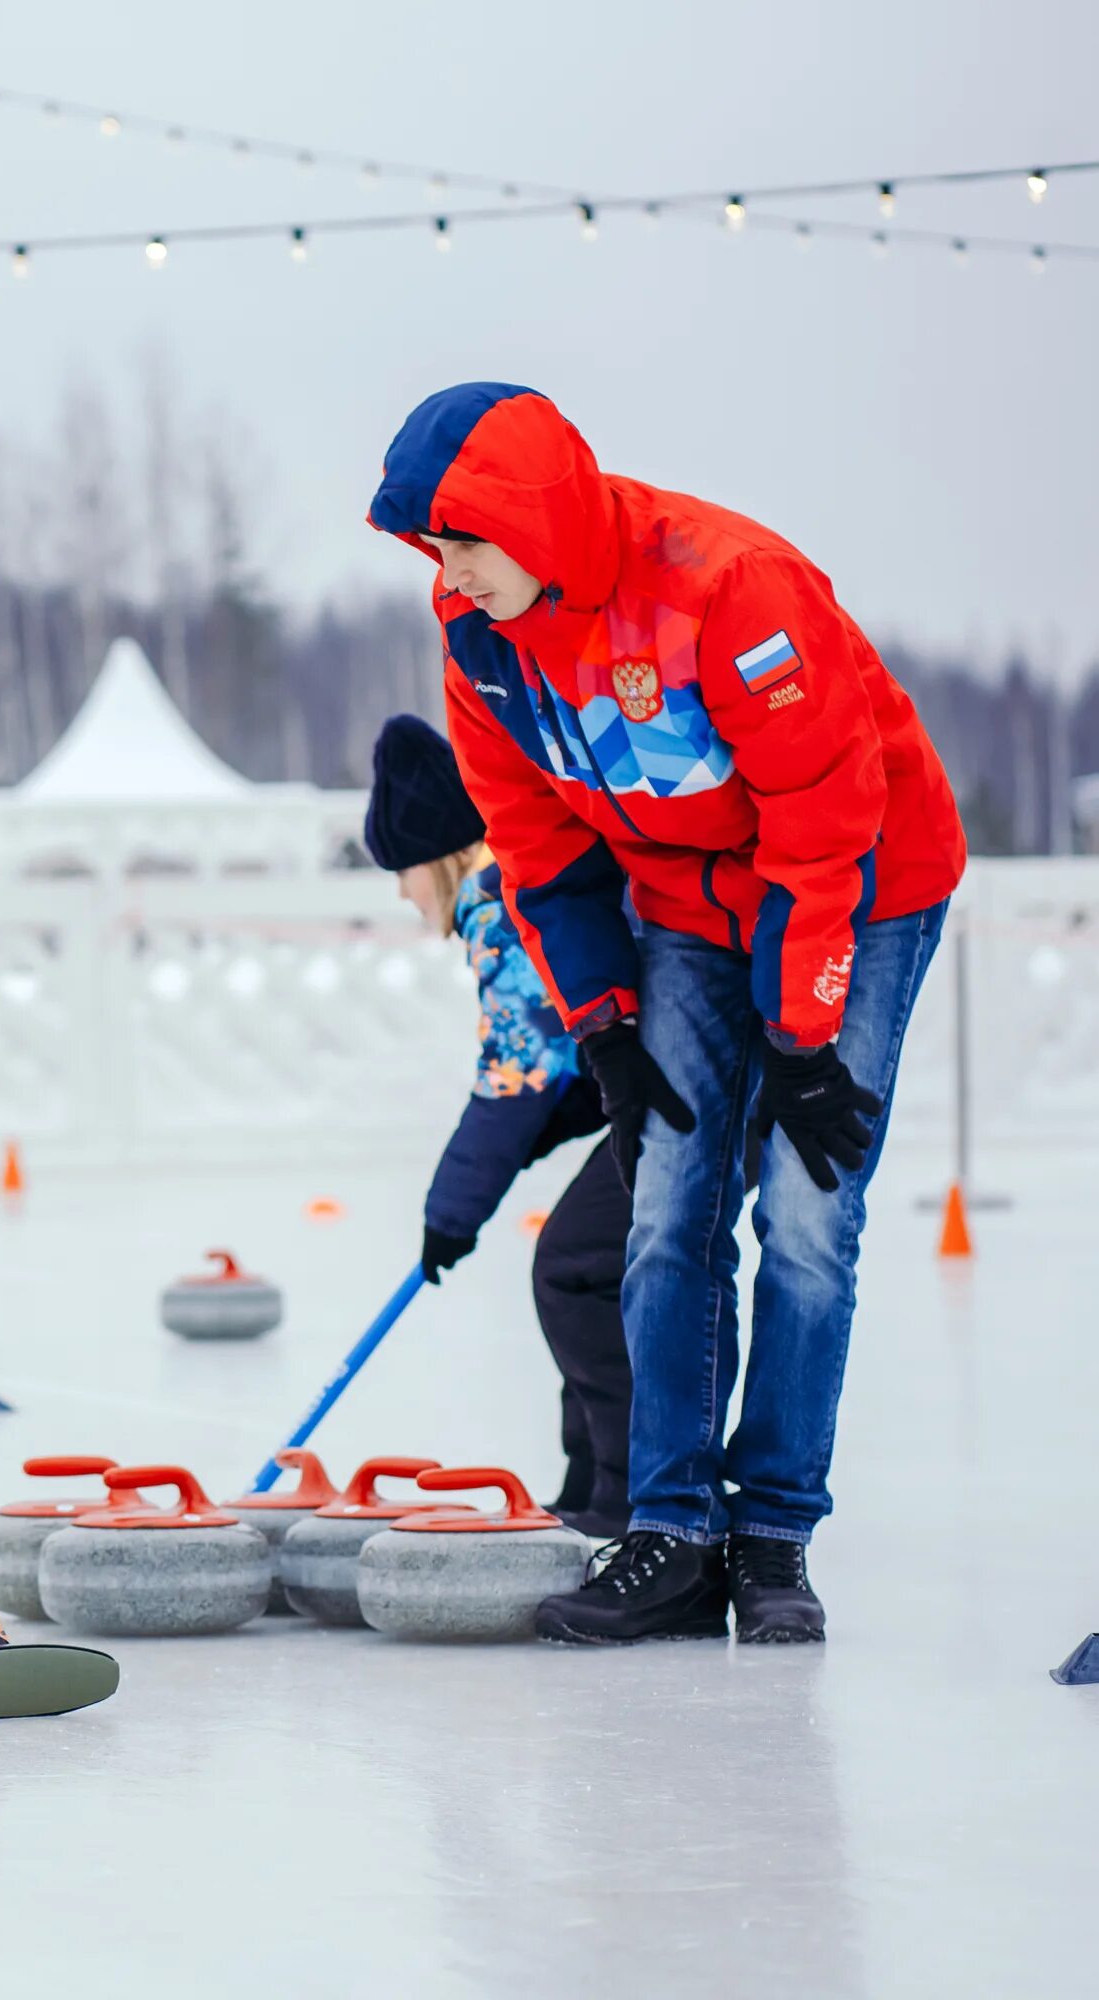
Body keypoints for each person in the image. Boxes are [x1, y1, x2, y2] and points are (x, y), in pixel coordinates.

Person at [368, 382, 965, 1644]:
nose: (449, 571)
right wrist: (602, 1023)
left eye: (464, 540)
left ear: (525, 515)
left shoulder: (728, 588)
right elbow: (533, 844)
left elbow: (822, 821)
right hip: (686, 901)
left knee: (808, 1211)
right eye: (436, 548)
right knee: (666, 1201)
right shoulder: (479, 639)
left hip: (859, 887)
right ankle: (672, 1529)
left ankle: (774, 1535)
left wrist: (802, 1036)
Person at [366, 715, 629, 1536]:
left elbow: (515, 1075)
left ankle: (626, 1493)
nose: (401, 894)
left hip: (692, 1089)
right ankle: (593, 1483)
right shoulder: (512, 882)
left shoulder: (497, 898)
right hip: (664, 1085)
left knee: (575, 1267)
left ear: (437, 857)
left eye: (400, 871)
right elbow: (565, 1060)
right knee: (586, 1267)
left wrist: (450, 1215)